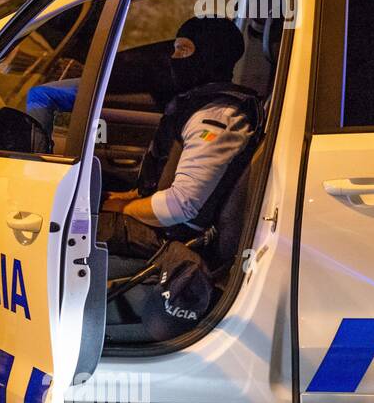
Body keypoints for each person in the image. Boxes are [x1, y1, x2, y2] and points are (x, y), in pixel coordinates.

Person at [100, 14, 260, 258]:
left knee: (74, 229)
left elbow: (181, 205)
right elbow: (164, 181)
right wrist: (125, 197)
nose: (174, 60)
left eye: (184, 50)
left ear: (210, 56)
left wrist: (123, 208)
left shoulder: (218, 117)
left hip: (177, 238)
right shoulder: (194, 105)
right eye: (175, 50)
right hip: (166, 227)